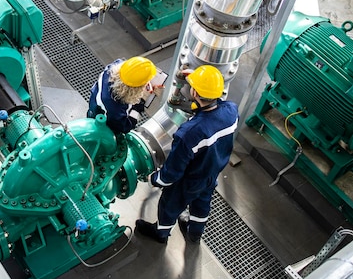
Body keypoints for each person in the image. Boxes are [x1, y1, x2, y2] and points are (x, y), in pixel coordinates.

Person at [135, 65, 239, 244]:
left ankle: (161, 233)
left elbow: (171, 173)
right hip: (211, 173)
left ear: (195, 93)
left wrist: (154, 179)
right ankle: (195, 232)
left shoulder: (189, 134)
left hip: (188, 180)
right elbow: (212, 112)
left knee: (170, 205)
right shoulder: (231, 110)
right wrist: (195, 80)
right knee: (202, 203)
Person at [87, 56, 158, 134]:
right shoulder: (115, 109)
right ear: (134, 89)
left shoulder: (114, 66)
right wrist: (141, 102)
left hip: (93, 107)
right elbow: (126, 127)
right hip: (103, 124)